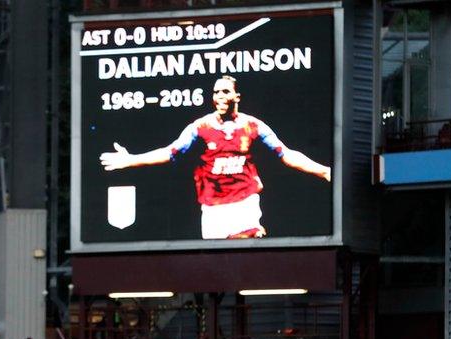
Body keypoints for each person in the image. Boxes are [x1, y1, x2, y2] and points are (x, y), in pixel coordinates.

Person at [99, 75, 331, 239]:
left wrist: (323, 171)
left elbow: (285, 153)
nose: (220, 96)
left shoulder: (253, 126)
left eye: (225, 91)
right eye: (216, 92)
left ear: (237, 96)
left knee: (247, 244)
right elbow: (170, 153)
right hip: (213, 208)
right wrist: (131, 159)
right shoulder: (200, 127)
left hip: (244, 201)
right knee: (220, 266)